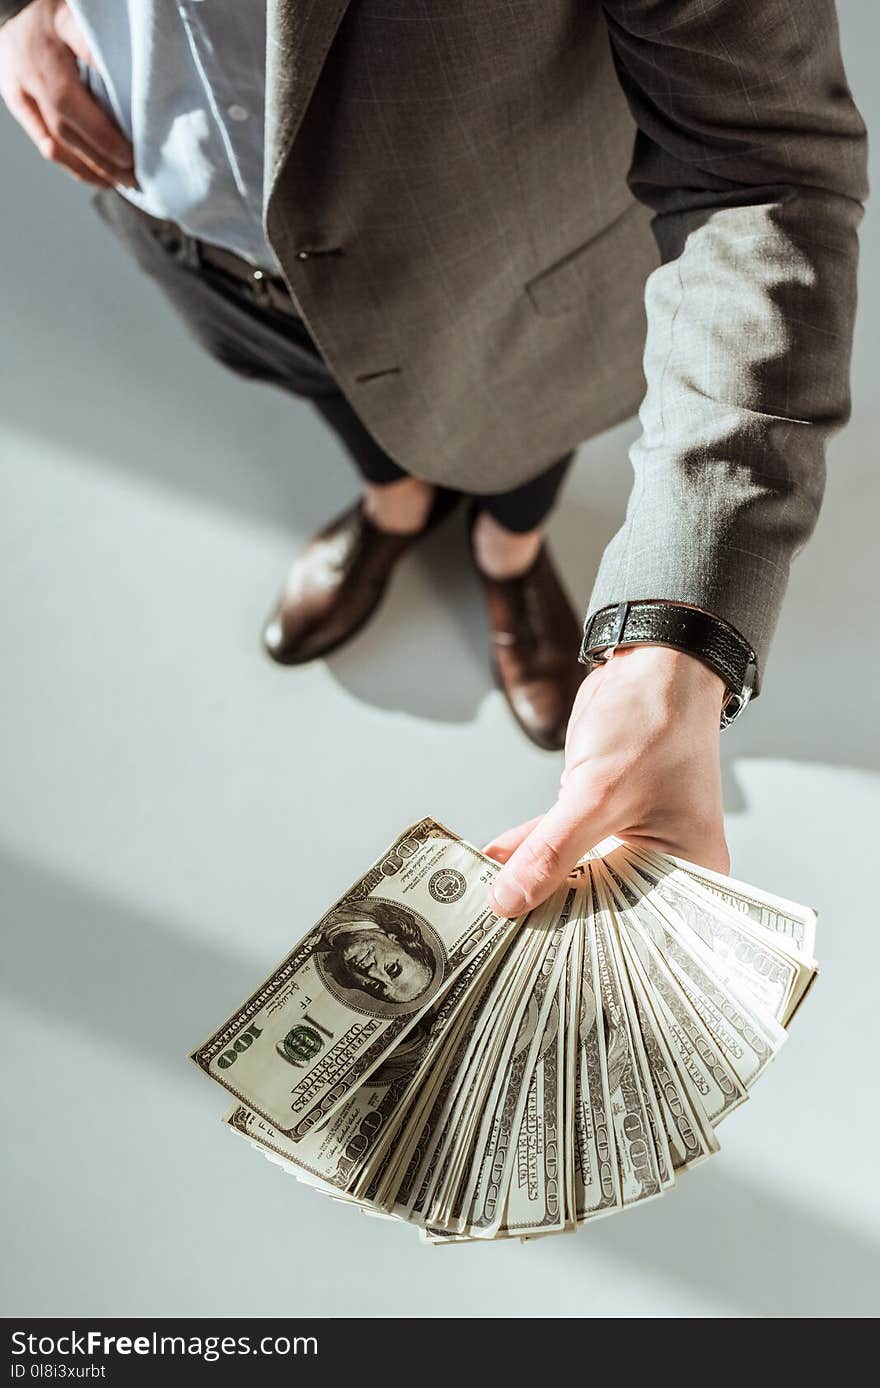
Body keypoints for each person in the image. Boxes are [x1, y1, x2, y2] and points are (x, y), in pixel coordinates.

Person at [0, 1, 867, 920]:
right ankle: (397, 508)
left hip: (491, 278)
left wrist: (676, 645)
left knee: (517, 436)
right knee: (338, 396)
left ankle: (509, 552)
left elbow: (760, 167)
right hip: (194, 227)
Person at [317, 901, 438, 1010]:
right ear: (396, 939)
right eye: (391, 968)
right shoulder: (362, 901)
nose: (371, 973)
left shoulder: (310, 944)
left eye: (374, 985)